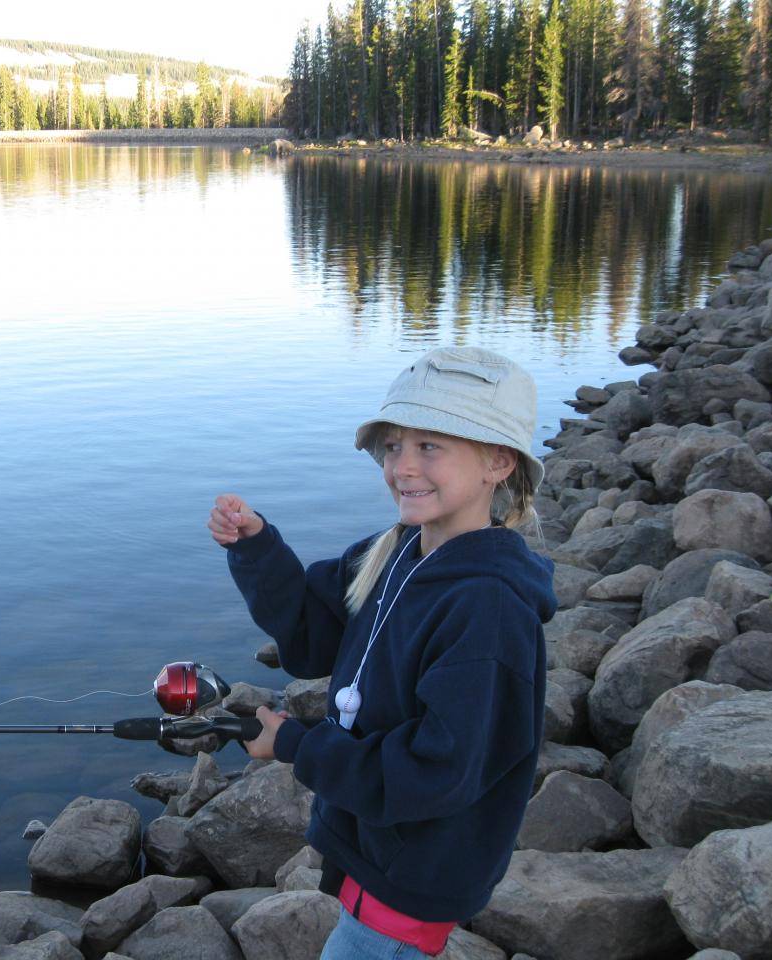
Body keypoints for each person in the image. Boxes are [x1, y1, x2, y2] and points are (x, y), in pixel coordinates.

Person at [207, 346, 556, 960]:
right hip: (373, 851)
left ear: (497, 463)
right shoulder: (396, 549)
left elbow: (438, 771)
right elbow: (312, 635)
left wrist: (294, 744)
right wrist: (259, 548)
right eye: (394, 446)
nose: (403, 467)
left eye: (430, 447)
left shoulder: (489, 609)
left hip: (413, 880)